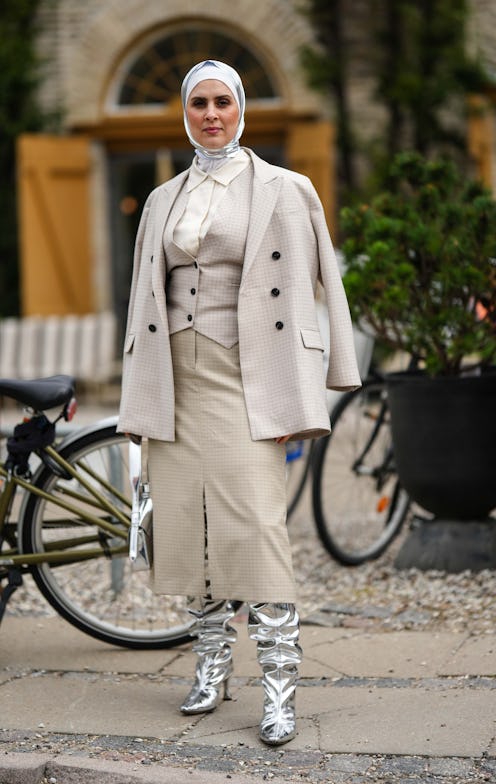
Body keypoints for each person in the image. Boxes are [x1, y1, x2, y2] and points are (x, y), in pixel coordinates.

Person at [118, 59, 361, 746]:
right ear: (186, 113)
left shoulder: (286, 189)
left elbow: (324, 281)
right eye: (199, 103)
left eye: (223, 101)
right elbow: (143, 299)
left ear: (241, 108)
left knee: (256, 528)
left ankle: (280, 689)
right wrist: (137, 387)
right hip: (176, 379)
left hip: (248, 374)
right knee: (190, 531)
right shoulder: (163, 199)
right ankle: (210, 668)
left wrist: (334, 368)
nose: (211, 114)